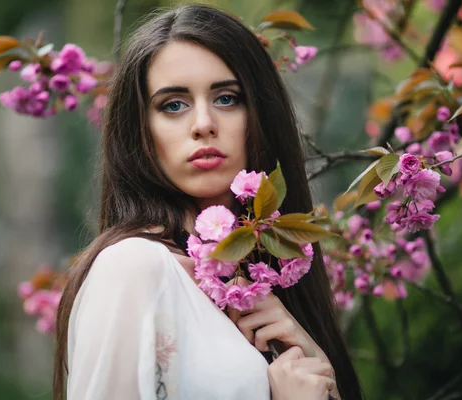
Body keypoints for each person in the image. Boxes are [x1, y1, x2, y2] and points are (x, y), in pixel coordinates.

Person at [53, 4, 363, 399]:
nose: (202, 124)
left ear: (260, 116)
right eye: (173, 105)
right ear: (142, 136)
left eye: (227, 98)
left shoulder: (266, 287)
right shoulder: (135, 268)